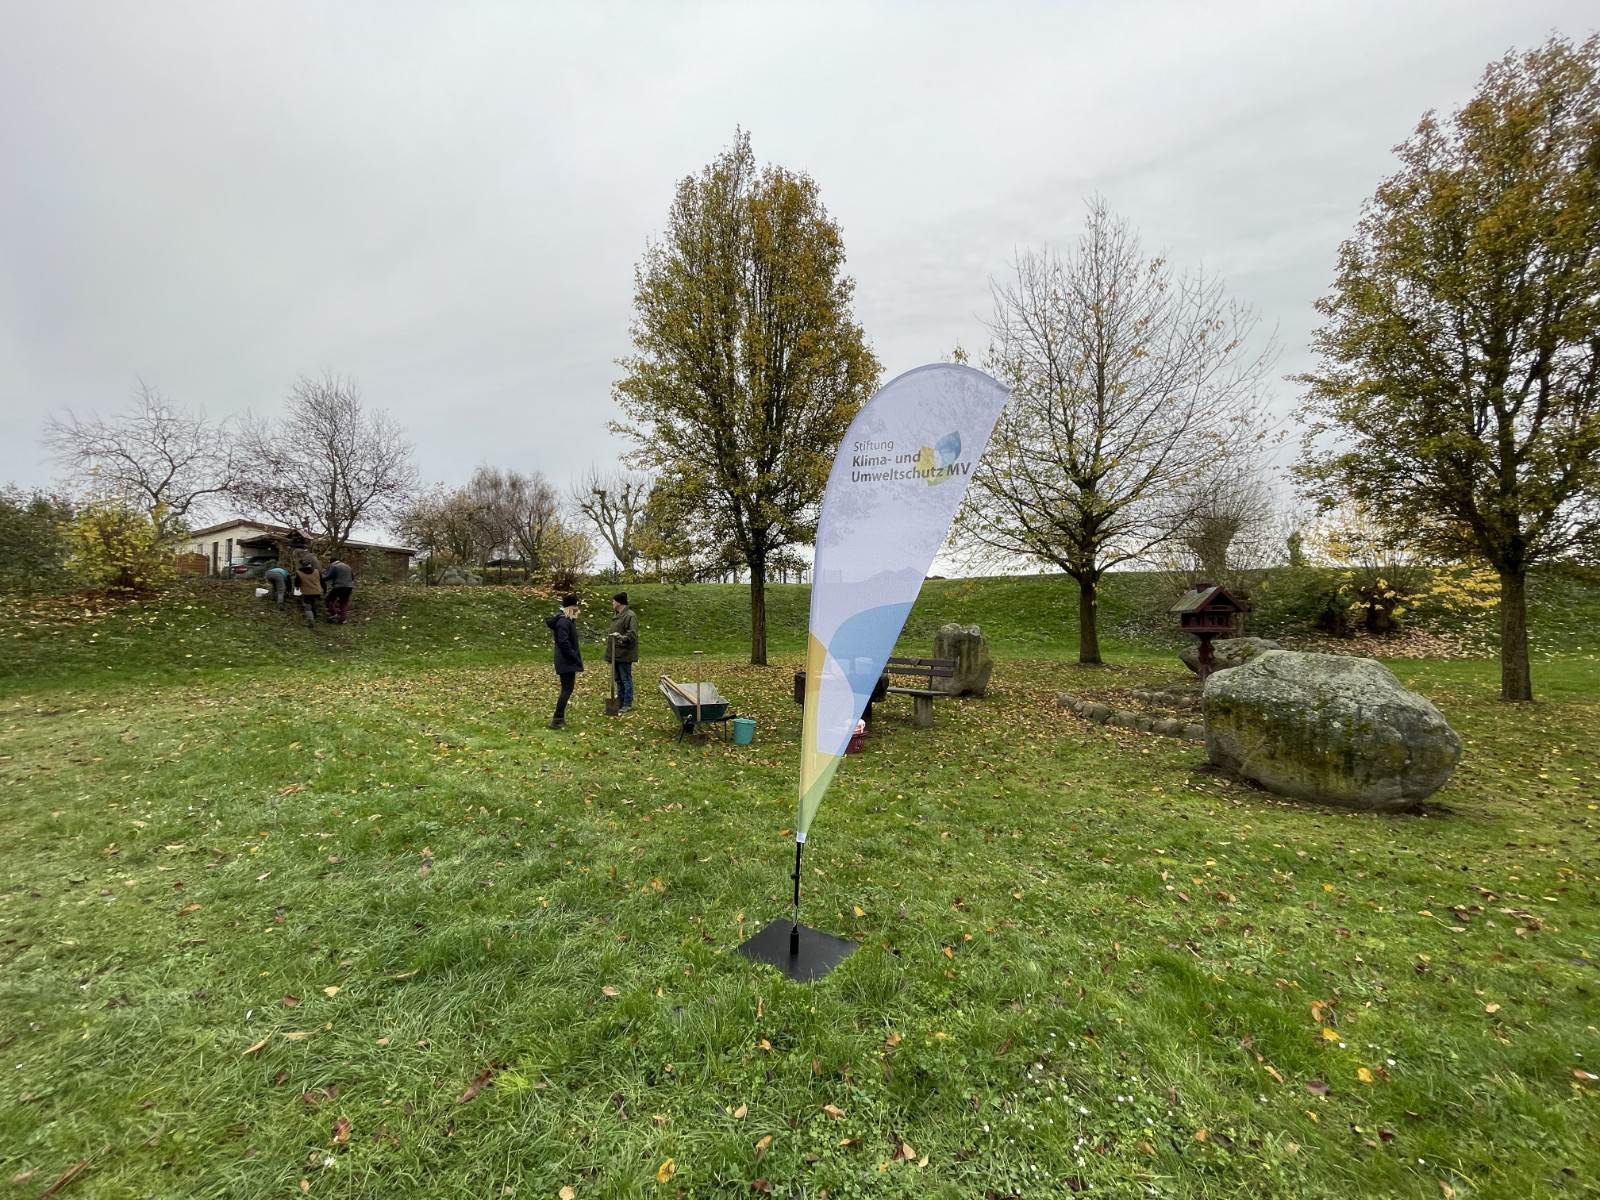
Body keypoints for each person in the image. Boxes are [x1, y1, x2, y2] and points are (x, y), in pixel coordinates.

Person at [544, 592, 583, 730]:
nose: (577, 609)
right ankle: (557, 719)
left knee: (567, 689)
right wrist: (574, 656)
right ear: (569, 607)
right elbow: (563, 642)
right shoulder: (563, 622)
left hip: (566, 660)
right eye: (575, 606)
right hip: (566, 661)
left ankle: (558, 718)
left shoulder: (565, 621)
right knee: (567, 689)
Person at [605, 591, 639, 714]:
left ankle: (627, 703)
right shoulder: (618, 615)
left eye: (613, 601)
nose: (612, 603)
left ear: (619, 602)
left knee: (626, 679)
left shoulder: (630, 616)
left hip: (624, 653)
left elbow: (632, 635)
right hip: (616, 653)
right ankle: (620, 701)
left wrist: (621, 638)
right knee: (618, 679)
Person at [293, 552, 324, 628]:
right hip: (317, 591)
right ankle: (315, 616)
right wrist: (324, 589)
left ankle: (311, 620)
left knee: (307, 606)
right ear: (310, 564)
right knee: (313, 603)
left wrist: (297, 587)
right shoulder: (316, 571)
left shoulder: (299, 573)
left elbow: (296, 583)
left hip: (307, 592)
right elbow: (321, 581)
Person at [323, 556, 355, 624]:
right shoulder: (348, 566)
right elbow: (352, 577)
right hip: (349, 586)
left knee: (329, 600)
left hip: (339, 586)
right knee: (343, 603)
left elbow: (329, 576)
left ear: (332, 562)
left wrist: (322, 579)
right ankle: (342, 619)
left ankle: (334, 614)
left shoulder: (335, 566)